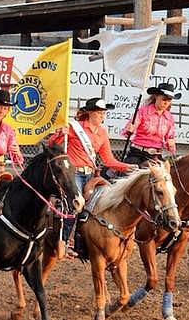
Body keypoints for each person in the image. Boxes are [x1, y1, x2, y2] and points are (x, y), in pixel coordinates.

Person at [46, 98, 137, 256]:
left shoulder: (102, 132)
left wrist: (127, 166)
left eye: (103, 113)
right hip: (73, 172)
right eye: (99, 113)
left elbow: (108, 159)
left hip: (91, 174)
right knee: (74, 204)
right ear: (90, 113)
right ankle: (64, 240)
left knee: (100, 205)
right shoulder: (74, 128)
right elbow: (51, 144)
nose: (102, 116)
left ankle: (85, 242)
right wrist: (61, 134)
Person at [125, 82, 181, 166]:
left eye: (169, 100)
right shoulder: (143, 112)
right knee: (128, 171)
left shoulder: (169, 118)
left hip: (156, 155)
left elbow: (169, 139)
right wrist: (130, 130)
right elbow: (128, 130)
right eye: (164, 99)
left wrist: (171, 144)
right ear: (156, 96)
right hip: (138, 153)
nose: (166, 103)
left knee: (167, 174)